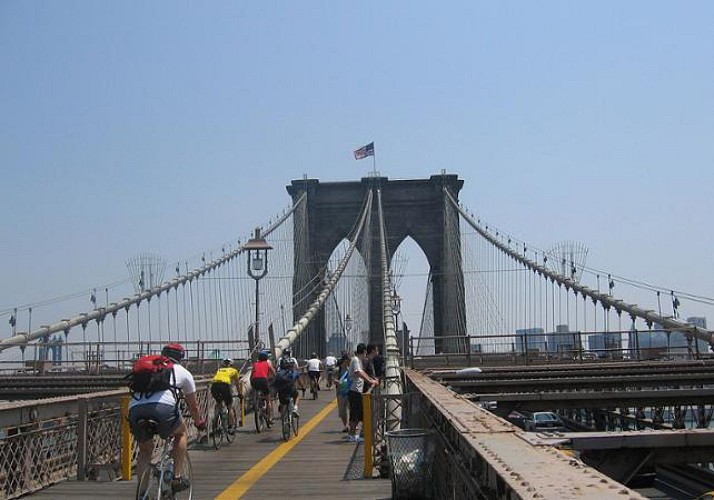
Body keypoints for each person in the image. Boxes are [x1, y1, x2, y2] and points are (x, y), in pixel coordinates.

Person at [128, 343, 205, 493]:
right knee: (181, 434)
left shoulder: (152, 369)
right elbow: (193, 406)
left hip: (135, 409)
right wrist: (199, 422)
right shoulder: (183, 372)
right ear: (180, 358)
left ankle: (142, 493)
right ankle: (177, 477)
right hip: (163, 409)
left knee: (145, 452)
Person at [347, 343, 378, 442]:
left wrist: (371, 379)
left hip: (357, 391)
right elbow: (358, 373)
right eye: (365, 352)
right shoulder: (356, 360)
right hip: (354, 391)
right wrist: (370, 381)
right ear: (364, 351)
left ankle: (354, 435)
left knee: (357, 413)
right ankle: (352, 435)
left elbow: (363, 372)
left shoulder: (358, 361)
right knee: (354, 414)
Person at [211, 358, 240, 430]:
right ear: (231, 364)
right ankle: (231, 427)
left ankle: (216, 418)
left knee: (218, 403)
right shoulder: (234, 370)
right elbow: (237, 383)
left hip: (214, 386)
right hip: (224, 386)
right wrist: (240, 393)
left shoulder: (219, 370)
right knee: (229, 407)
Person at [250, 350, 276, 421]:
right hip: (263, 381)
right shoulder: (267, 364)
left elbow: (251, 375)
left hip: (254, 381)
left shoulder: (255, 364)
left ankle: (256, 402)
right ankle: (270, 417)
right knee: (268, 399)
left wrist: (251, 383)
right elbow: (274, 373)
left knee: (257, 390)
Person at [275, 347, 300, 416]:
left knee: (280, 394)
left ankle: (283, 416)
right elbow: (297, 369)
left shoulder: (280, 359)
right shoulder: (293, 360)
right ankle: (295, 408)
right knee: (296, 394)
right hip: (290, 384)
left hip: (280, 383)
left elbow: (277, 368)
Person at [335, 353, 350, 432]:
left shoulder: (350, 369)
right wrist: (338, 382)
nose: (348, 362)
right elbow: (334, 380)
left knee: (348, 409)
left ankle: (348, 425)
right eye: (347, 361)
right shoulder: (338, 370)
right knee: (342, 411)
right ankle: (346, 426)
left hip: (349, 391)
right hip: (340, 392)